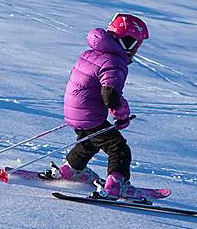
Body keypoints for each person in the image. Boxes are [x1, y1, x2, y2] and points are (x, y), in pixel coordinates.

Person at [55, 13, 149, 198]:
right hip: (89, 114)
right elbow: (111, 96)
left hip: (73, 110)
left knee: (89, 140)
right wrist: (121, 117)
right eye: (137, 45)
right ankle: (117, 186)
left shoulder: (91, 53)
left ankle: (72, 170)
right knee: (118, 147)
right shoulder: (114, 62)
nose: (137, 50)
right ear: (127, 42)